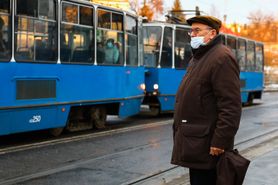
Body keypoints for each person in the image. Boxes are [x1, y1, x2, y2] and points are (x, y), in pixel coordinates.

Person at [171, 15, 242, 185]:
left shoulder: (221, 57)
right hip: (196, 142)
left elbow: (230, 106)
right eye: (191, 31)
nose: (193, 35)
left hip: (209, 146)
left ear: (212, 33)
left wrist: (220, 141)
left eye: (197, 30)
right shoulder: (200, 57)